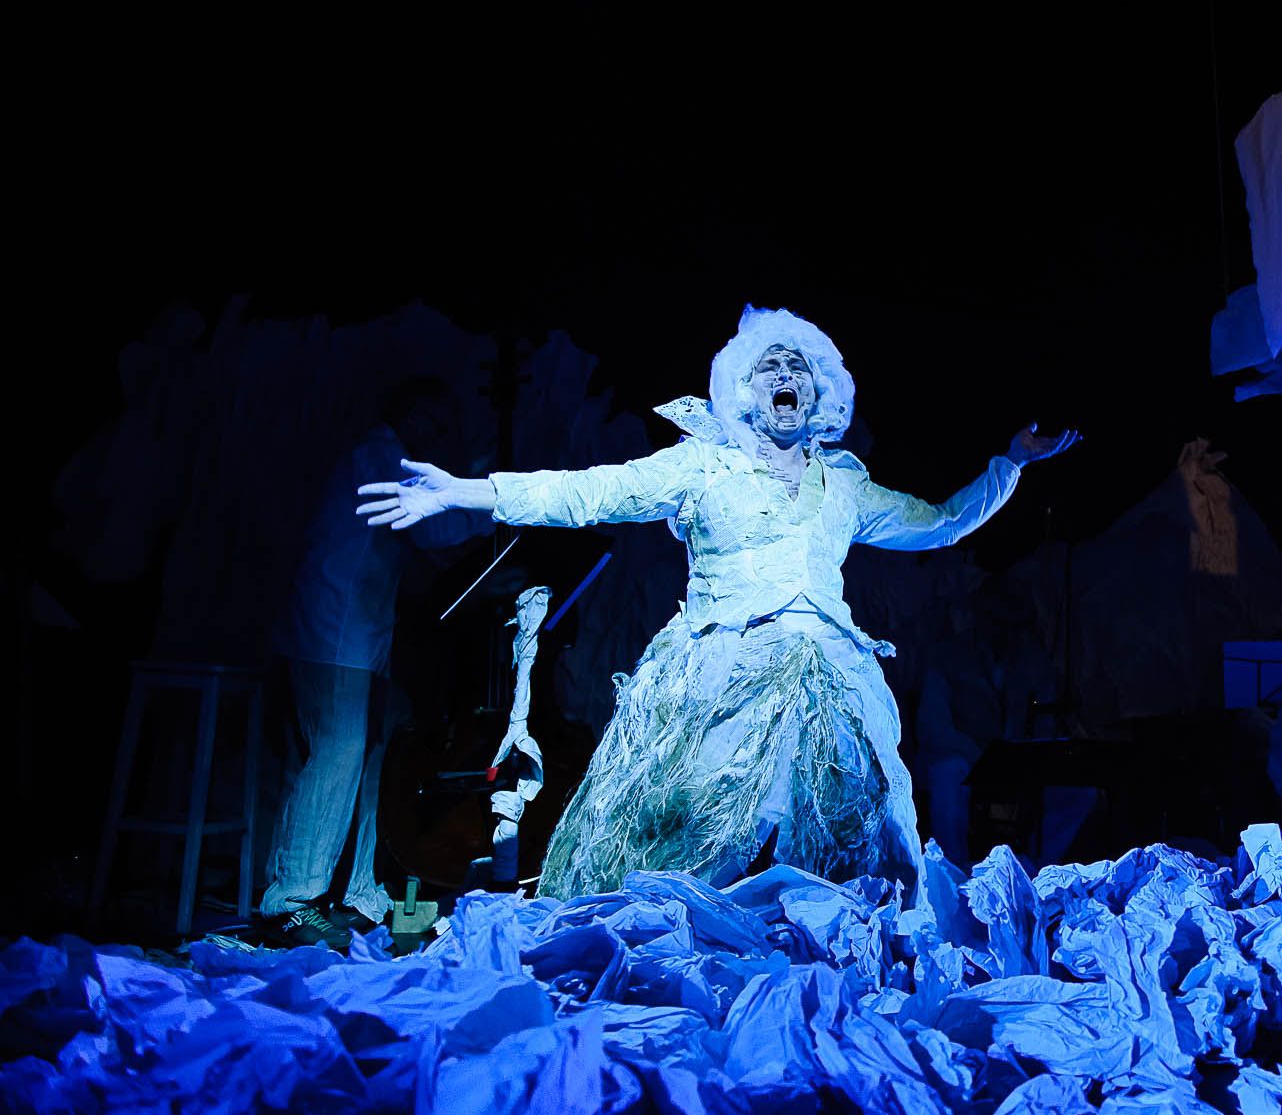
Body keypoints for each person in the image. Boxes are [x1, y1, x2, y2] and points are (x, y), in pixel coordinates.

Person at [354, 306, 1078, 901]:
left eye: (799, 367)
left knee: (851, 836)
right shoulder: (703, 465)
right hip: (722, 673)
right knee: (704, 834)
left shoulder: (844, 485)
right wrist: (468, 492)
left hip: (828, 675)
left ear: (820, 394)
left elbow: (940, 523)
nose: (786, 375)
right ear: (745, 391)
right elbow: (591, 491)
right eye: (770, 366)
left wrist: (1009, 464)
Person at [258, 377, 491, 942]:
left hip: (356, 636)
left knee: (364, 762)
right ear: (410, 414)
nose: (438, 435)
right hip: (333, 634)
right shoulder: (379, 455)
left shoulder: (385, 455)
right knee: (336, 756)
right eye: (433, 421)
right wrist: (492, 502)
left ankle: (358, 892)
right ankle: (292, 902)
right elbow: (433, 531)